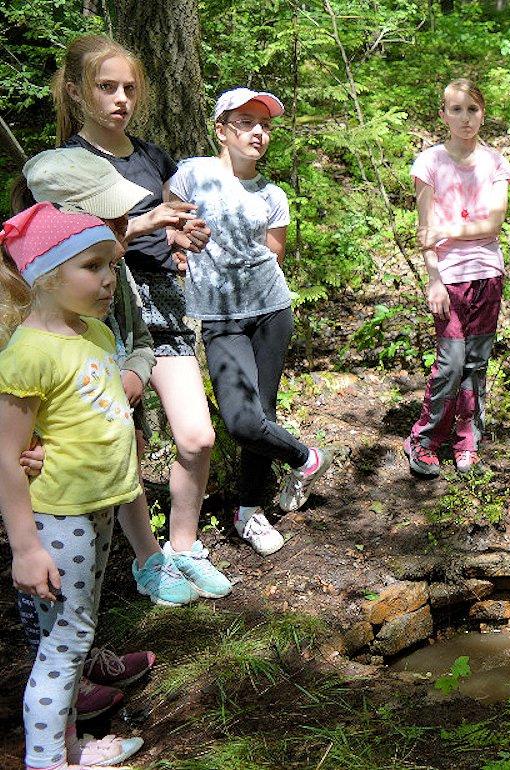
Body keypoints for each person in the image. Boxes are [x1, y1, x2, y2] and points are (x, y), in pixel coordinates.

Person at [53, 35, 231, 598]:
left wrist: (184, 234)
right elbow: (71, 245)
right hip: (104, 306)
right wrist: (152, 222)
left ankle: (184, 546)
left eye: (129, 88)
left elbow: (168, 223)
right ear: (79, 93)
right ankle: (148, 559)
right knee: (120, 436)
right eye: (107, 87)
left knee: (198, 436)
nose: (120, 98)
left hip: (163, 297)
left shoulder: (151, 156)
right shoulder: (66, 165)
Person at [0, 202, 146, 769]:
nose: (109, 279)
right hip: (55, 519)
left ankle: (67, 746)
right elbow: (6, 456)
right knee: (62, 648)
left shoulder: (91, 331)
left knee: (69, 638)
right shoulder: (30, 353)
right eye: (92, 266)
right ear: (46, 275)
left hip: (96, 509)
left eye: (112, 264)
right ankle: (47, 761)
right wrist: (27, 548)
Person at [167, 88, 332, 555]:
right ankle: (307, 458)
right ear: (221, 129)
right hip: (220, 318)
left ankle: (249, 513)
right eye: (246, 122)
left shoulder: (273, 194)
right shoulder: (192, 174)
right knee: (241, 421)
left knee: (264, 414)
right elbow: (169, 217)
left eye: (264, 125)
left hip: (272, 311)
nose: (258, 132)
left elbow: (274, 253)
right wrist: (178, 244)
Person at [403, 78, 510, 477]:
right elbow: (424, 228)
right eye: (456, 109)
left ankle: (468, 439)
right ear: (443, 114)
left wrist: (448, 231)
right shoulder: (429, 163)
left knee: (476, 362)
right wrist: (433, 279)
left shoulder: (496, 164)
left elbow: (494, 222)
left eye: (472, 109)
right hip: (449, 277)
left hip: (487, 273)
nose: (465, 118)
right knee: (450, 362)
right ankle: (425, 439)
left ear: (483, 113)